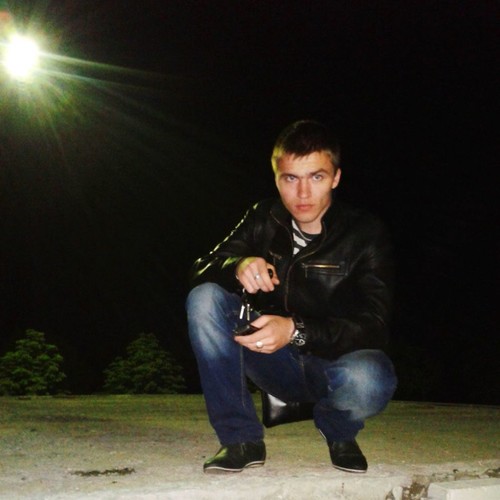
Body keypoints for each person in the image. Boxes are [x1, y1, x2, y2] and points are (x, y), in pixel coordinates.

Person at [186, 119, 397, 474]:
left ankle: (338, 428)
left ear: (336, 178)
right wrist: (237, 264)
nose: (302, 193)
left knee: (371, 377)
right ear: (276, 179)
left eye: (316, 177)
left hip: (334, 366)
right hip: (272, 359)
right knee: (204, 298)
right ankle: (240, 439)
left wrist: (295, 330)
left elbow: (374, 325)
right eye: (290, 178)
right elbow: (201, 267)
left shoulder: (366, 233)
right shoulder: (263, 217)